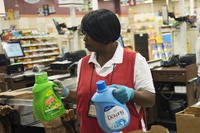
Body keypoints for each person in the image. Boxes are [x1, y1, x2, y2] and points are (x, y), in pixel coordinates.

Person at [76, 9, 155, 133]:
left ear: (104, 35)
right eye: (84, 33)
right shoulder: (83, 63)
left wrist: (132, 94)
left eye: (88, 34)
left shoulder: (134, 60)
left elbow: (150, 99)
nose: (84, 39)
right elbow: (82, 97)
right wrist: (65, 93)